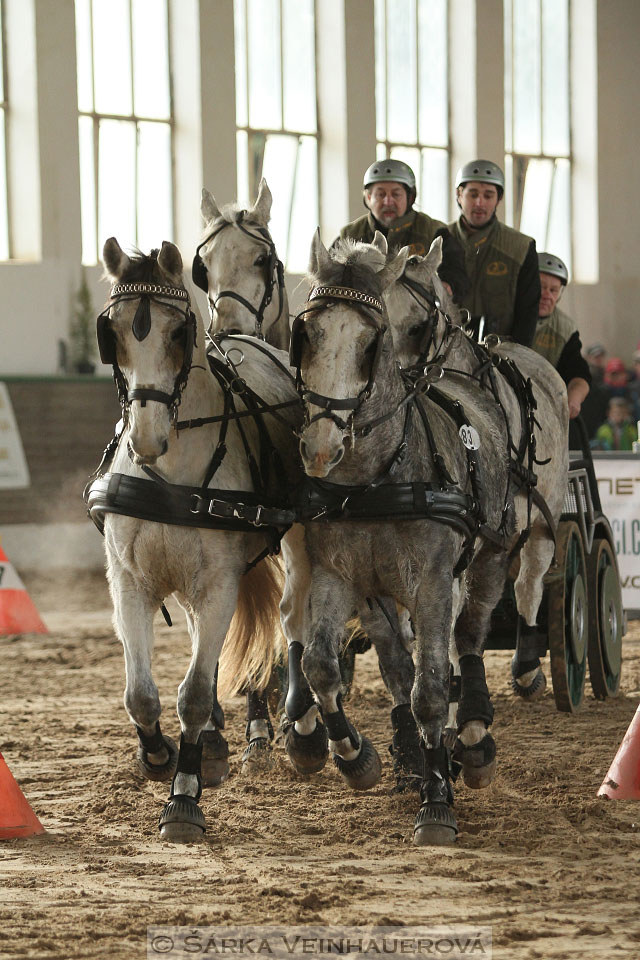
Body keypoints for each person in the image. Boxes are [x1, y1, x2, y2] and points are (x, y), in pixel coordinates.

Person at [337, 158, 469, 301]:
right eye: (380, 195)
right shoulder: (350, 234)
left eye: (396, 194)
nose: (388, 202)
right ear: (368, 198)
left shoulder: (434, 231)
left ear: (410, 197)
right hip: (364, 315)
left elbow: (457, 273)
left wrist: (448, 285)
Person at [448, 159, 540, 346]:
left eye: (488, 196)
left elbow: (528, 313)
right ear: (459, 195)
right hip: (444, 351)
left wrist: (517, 357)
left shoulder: (521, 247)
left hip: (500, 353)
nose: (479, 203)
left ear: (499, 198)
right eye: (472, 195)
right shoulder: (439, 241)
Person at [530, 252, 591, 419]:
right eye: (541, 287)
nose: (547, 295)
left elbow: (579, 372)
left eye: (553, 290)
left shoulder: (565, 329)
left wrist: (574, 398)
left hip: (543, 411)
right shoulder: (505, 315)